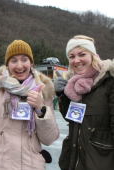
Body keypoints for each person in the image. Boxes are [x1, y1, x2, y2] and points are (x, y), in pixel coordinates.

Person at [0, 39, 60, 170]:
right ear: (7, 65)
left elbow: (49, 139)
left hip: (29, 165)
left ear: (31, 62)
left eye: (24, 59)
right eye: (13, 61)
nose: (19, 66)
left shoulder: (42, 92)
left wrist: (40, 108)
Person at [54, 35, 114, 170]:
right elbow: (73, 119)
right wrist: (62, 95)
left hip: (101, 162)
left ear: (93, 55)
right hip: (75, 160)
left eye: (82, 54)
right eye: (71, 56)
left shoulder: (108, 81)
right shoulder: (73, 84)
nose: (76, 60)